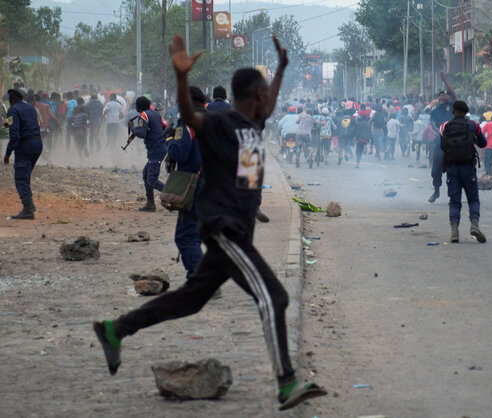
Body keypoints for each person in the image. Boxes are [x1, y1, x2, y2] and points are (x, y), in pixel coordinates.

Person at [93, 34, 326, 411]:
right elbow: (189, 117)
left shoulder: (253, 125)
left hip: (237, 227)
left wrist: (281, 68)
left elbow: (267, 113)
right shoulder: (221, 123)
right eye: (265, 92)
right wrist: (182, 77)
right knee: (276, 297)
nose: (271, 99)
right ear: (254, 95)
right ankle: (286, 384)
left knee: (190, 300)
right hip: (225, 228)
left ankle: (115, 329)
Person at [166, 86, 206, 278]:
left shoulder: (188, 123)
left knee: (185, 236)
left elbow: (180, 152)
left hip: (195, 184)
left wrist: (170, 139)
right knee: (197, 234)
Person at [440, 100, 488, 243]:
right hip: (468, 167)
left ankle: (454, 232)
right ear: (467, 112)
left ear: (453, 111)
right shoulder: (473, 125)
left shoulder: (445, 126)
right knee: (473, 199)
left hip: (452, 167)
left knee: (454, 201)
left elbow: (442, 145)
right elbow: (483, 143)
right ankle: (474, 225)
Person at [4, 88, 43, 219]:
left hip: (25, 146)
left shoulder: (13, 110)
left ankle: (27, 210)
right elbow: (21, 122)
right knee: (25, 176)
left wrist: (8, 153)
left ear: (12, 99)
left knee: (21, 178)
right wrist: (7, 123)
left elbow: (15, 135)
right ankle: (30, 204)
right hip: (37, 144)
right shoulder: (30, 108)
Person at [130, 96, 168, 212]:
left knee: (151, 179)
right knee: (146, 174)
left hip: (156, 150)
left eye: (136, 105)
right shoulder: (155, 113)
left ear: (139, 106)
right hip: (160, 148)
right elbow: (165, 126)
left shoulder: (144, 115)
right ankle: (150, 204)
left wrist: (133, 128)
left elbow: (141, 133)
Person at [428, 72, 457, 203]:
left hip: (454, 140)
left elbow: (454, 93)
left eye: (446, 95)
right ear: (438, 98)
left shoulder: (453, 107)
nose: (443, 96)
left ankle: (453, 194)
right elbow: (432, 124)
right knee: (435, 169)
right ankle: (436, 190)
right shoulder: (434, 111)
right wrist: (439, 132)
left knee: (455, 169)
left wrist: (445, 80)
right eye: (441, 95)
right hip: (440, 140)